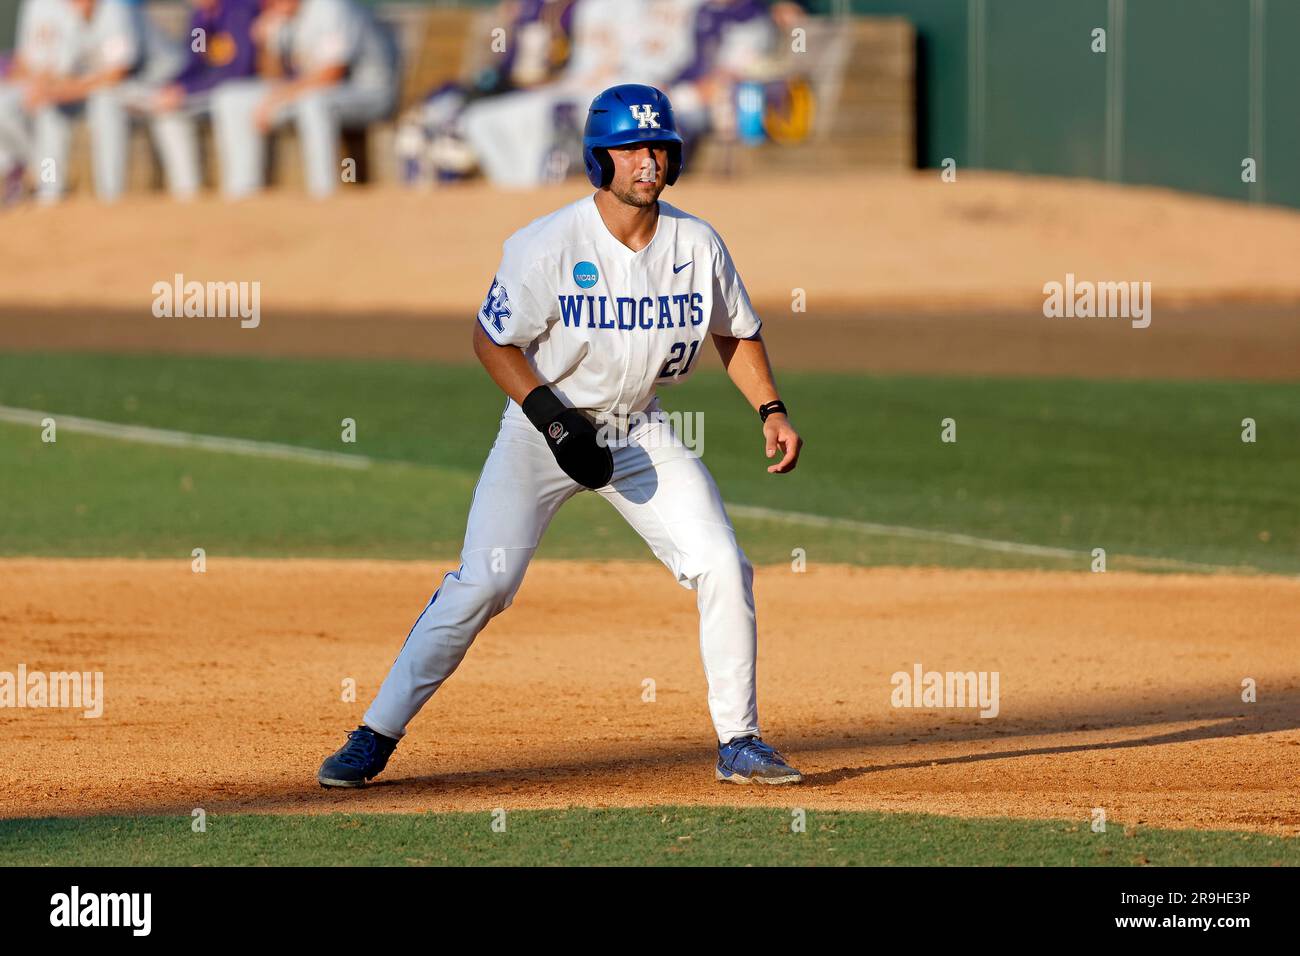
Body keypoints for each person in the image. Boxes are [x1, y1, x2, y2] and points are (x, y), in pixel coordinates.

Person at [318, 83, 805, 789]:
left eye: (660, 148)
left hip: (640, 431)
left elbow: (738, 331)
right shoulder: (548, 243)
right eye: (632, 150)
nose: (649, 162)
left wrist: (771, 409)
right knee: (484, 582)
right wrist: (552, 419)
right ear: (598, 160)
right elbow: (492, 341)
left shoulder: (697, 245)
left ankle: (741, 742)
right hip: (539, 430)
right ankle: (374, 734)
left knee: (724, 565)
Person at [210, 0, 397, 198]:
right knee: (231, 99)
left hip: (369, 94)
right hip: (318, 92)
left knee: (314, 104)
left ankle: (323, 192)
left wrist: (276, 99)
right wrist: (266, 44)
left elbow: (331, 75)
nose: (268, 4)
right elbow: (275, 77)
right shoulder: (285, 17)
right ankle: (243, 192)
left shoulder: (330, 8)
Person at [17, 0, 182, 202]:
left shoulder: (115, 10)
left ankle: (110, 193)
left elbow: (116, 75)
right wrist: (45, 89)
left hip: (159, 82)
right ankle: (50, 190)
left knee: (105, 104)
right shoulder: (67, 14)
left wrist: (60, 92)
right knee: (50, 113)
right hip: (107, 88)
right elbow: (62, 70)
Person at [144, 0, 259, 199]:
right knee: (166, 111)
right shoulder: (200, 19)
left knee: (228, 100)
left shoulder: (238, 10)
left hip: (247, 88)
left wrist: (187, 90)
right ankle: (187, 191)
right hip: (210, 90)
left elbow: (239, 69)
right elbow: (195, 63)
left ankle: (240, 190)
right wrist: (174, 86)